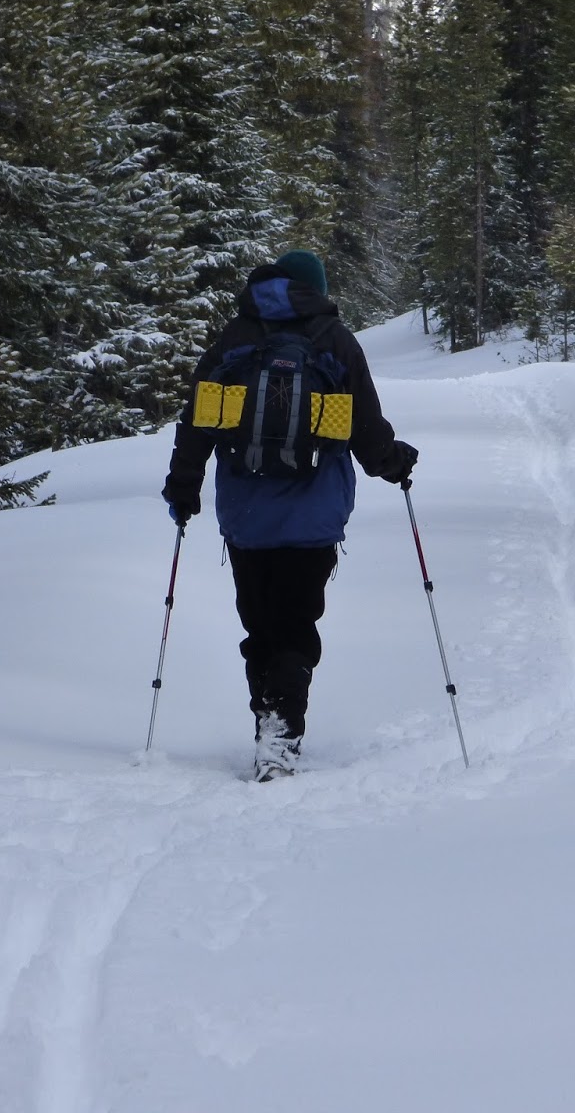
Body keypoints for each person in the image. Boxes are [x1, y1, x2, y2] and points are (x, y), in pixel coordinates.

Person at [162, 250, 417, 781]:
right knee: (298, 624)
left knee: (261, 625)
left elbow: (197, 421)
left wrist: (183, 485)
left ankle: (269, 721)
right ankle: (280, 733)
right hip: (314, 513)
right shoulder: (335, 340)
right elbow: (367, 432)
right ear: (315, 288)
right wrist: (396, 464)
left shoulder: (235, 338)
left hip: (246, 515)